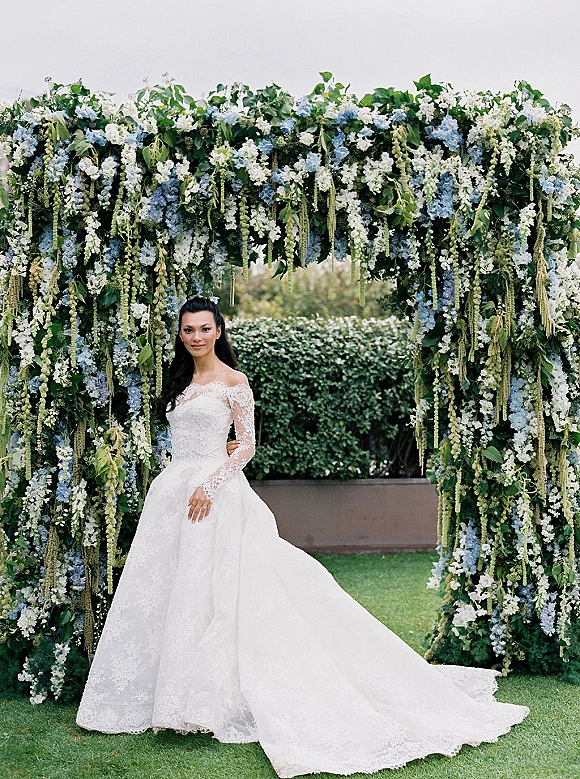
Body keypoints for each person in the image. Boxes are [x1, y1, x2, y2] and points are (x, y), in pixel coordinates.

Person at [76, 296, 529, 778]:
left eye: (204, 329)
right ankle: (169, 694)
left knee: (220, 592)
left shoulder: (235, 382)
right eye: (188, 330)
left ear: (219, 331)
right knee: (172, 589)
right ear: (181, 334)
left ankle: (214, 696)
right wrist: (189, 478)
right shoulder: (178, 382)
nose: (196, 337)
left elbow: (246, 444)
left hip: (215, 493)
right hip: (171, 493)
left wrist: (209, 483)